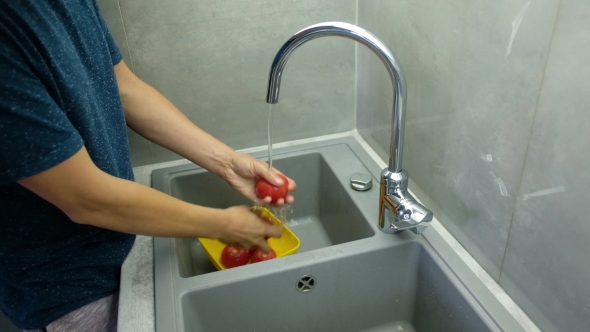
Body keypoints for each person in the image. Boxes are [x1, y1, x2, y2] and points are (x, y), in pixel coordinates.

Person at [0, 1, 296, 331]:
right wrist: (223, 224)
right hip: (67, 286)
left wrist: (226, 162)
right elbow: (84, 198)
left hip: (121, 239)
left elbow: (124, 89)